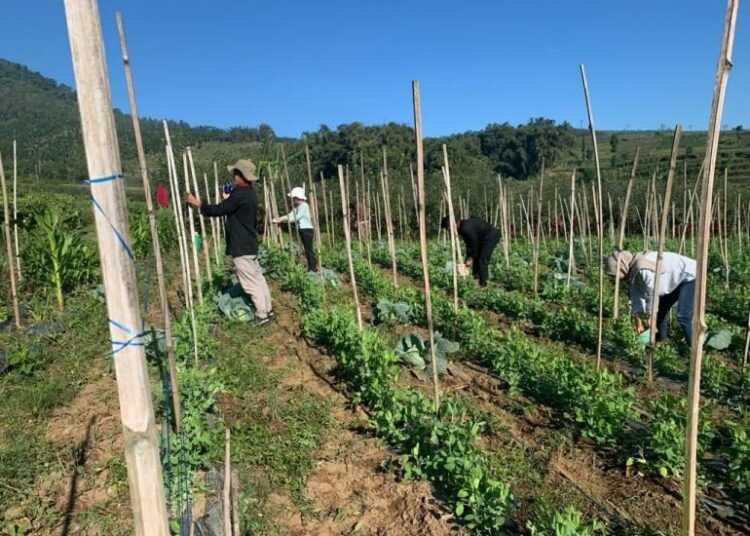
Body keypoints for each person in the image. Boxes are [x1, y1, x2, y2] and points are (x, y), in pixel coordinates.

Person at [185, 159, 274, 326]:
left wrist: (199, 203)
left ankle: (262, 315)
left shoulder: (240, 194)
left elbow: (219, 210)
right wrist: (228, 198)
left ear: (241, 176)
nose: (233, 177)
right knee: (258, 279)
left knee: (249, 283)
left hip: (241, 246)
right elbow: (232, 209)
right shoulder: (249, 194)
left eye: (235, 174)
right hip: (250, 244)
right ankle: (268, 310)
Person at [605, 250, 696, 343]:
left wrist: (651, 317)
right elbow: (636, 297)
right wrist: (638, 323)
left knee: (683, 316)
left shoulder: (642, 267)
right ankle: (661, 343)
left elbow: (652, 293)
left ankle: (695, 348)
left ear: (622, 268)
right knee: (660, 311)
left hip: (691, 275)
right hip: (677, 280)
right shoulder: (633, 270)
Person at [442, 216, 500, 287]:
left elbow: (474, 243)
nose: (449, 231)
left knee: (482, 259)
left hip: (490, 236)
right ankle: (476, 278)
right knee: (476, 257)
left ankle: (483, 284)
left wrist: (471, 257)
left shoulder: (466, 228)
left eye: (448, 228)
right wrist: (468, 257)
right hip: (483, 238)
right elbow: (469, 244)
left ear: (453, 224)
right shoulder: (462, 227)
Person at [272, 186, 317, 272]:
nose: (293, 200)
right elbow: (290, 215)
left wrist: (281, 220)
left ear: (297, 198)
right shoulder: (297, 207)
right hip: (303, 229)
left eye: (293, 198)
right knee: (307, 249)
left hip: (307, 230)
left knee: (309, 249)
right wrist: (280, 219)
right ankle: (311, 267)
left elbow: (295, 218)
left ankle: (312, 268)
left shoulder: (304, 206)